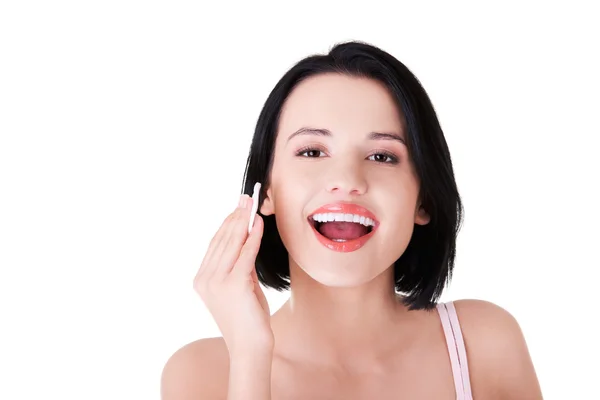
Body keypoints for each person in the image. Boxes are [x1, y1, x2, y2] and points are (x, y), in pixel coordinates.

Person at [161, 41, 543, 399]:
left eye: (382, 156)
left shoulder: (485, 344)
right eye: (312, 151)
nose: (346, 180)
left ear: (422, 200)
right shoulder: (200, 374)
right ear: (268, 192)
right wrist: (249, 356)